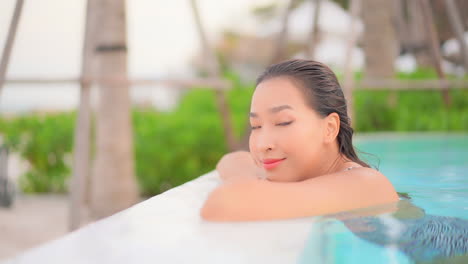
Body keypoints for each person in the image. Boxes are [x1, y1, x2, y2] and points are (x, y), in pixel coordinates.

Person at [200, 59, 399, 222]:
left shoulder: (366, 185)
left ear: (329, 128)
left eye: (283, 122)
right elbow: (231, 160)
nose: (262, 145)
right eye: (256, 126)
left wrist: (256, 182)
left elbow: (223, 203)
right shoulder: (307, 176)